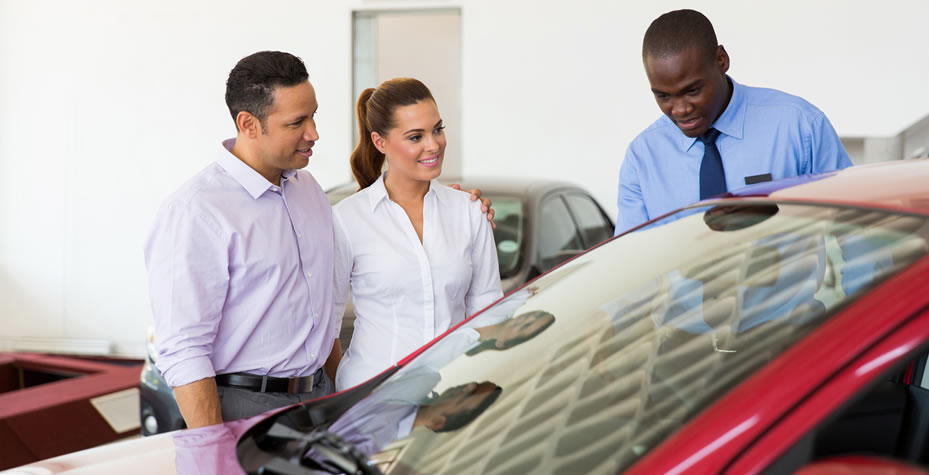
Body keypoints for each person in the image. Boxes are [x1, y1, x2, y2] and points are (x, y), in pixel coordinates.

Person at [144, 53, 494, 429]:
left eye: (314, 116)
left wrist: (459, 209)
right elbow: (184, 350)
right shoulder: (196, 212)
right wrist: (211, 451)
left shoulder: (306, 189)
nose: (313, 133)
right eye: (297, 122)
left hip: (321, 398)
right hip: (247, 405)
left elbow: (323, 313)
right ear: (248, 124)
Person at [333, 78, 504, 392]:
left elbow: (488, 311)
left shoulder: (468, 211)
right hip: (371, 397)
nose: (433, 144)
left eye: (437, 129)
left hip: (453, 391)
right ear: (380, 142)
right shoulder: (346, 219)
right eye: (416, 136)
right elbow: (327, 329)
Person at [615, 9, 853, 235]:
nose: (680, 109)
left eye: (693, 90)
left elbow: (853, 228)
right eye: (663, 96)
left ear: (721, 60)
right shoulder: (643, 157)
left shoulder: (799, 126)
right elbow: (626, 261)